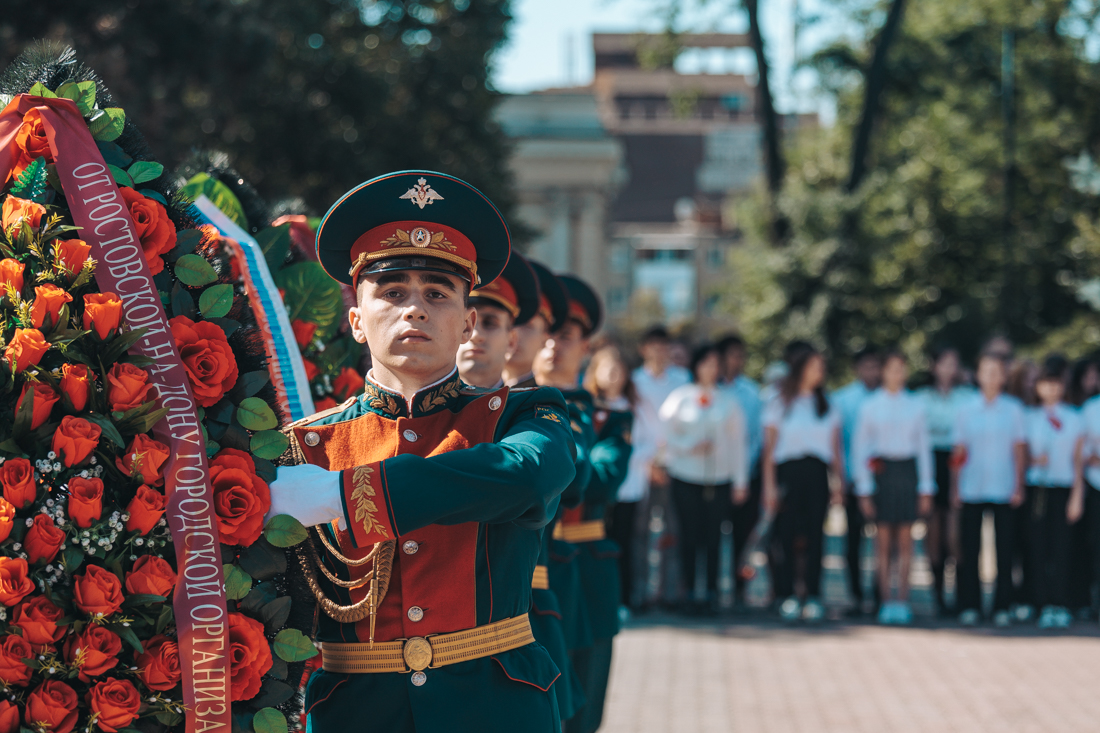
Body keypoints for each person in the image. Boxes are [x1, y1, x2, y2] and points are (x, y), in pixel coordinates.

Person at [267, 171, 577, 732]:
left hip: (496, 707)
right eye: (392, 293)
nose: (415, 309)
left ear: (466, 323)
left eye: (437, 294)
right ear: (356, 321)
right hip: (354, 713)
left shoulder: (521, 416)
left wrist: (347, 493)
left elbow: (529, 475)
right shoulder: (307, 446)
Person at [535, 275, 632, 733]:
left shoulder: (606, 418)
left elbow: (600, 482)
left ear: (586, 347)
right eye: (546, 332)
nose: (553, 345)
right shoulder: (508, 407)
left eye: (567, 336)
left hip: (586, 574)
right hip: (532, 576)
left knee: (583, 712)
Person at [660, 343, 749, 613]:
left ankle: (710, 592)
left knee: (713, 537)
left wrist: (740, 481)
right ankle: (687, 592)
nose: (711, 369)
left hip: (719, 478)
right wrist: (688, 446)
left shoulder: (728, 401)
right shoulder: (680, 398)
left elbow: (738, 443)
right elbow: (665, 435)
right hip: (686, 475)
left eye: (715, 364)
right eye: (706, 363)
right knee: (688, 536)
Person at [763, 343, 844, 622]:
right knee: (784, 535)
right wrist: (769, 486)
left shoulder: (827, 404)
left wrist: (838, 484)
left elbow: (835, 450)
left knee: (815, 536)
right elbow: (769, 450)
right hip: (788, 473)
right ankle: (785, 594)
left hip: (817, 475)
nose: (819, 372)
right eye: (814, 367)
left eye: (822, 368)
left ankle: (812, 594)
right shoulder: (780, 402)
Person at [852, 351, 935, 625]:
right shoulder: (870, 406)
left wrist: (926, 487)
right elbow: (861, 448)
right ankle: (886, 600)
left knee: (907, 542)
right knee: (883, 541)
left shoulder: (916, 405)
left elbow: (924, 448)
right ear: (883, 372)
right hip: (883, 473)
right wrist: (863, 488)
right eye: (891, 369)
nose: (896, 374)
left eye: (901, 369)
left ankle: (904, 600)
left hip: (907, 471)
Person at [952, 351, 1027, 627]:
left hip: (1004, 486)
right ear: (978, 375)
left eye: (998, 371)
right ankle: (969, 604)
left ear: (1004, 376)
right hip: (972, 487)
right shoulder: (965, 409)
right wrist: (955, 487)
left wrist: (1019, 485)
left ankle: (1002, 606)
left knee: (1004, 551)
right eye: (987, 371)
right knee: (970, 550)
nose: (992, 377)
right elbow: (959, 451)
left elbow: (1019, 450)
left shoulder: (1014, 409)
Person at [631, 326, 691, 605]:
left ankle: (670, 593)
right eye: (654, 346)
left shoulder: (682, 380)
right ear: (643, 349)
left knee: (673, 531)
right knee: (640, 531)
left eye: (664, 346)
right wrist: (650, 460)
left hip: (677, 464)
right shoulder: (634, 381)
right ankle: (640, 591)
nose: (660, 352)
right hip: (641, 465)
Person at [1025, 355, 1086, 629]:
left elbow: (1078, 461)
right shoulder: (1029, 417)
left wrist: (1077, 497)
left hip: (1063, 488)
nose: (1050, 389)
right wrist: (1032, 460)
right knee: (1037, 548)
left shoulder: (1074, 418)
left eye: (1055, 383)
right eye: (1045, 383)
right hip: (1036, 488)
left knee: (1062, 549)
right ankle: (1039, 602)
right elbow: (1019, 454)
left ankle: (1059, 603)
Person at [917, 346, 976, 614]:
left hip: (958, 466)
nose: (949, 369)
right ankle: (937, 594)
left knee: (955, 535)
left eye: (954, 364)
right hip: (930, 464)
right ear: (933, 366)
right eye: (944, 363)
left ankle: (959, 594)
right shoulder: (920, 398)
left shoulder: (967, 398)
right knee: (934, 532)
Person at [583, 345, 640, 611]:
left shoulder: (628, 409)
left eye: (620, 370)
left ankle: (622, 598)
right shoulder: (584, 404)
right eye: (609, 370)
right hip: (587, 496)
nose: (615, 376)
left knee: (621, 540)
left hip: (625, 484)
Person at [832, 346, 882, 609]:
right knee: (853, 540)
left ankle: (880, 591)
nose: (871, 372)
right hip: (853, 479)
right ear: (857, 369)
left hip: (884, 480)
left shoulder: (891, 398)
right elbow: (839, 444)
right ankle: (855, 594)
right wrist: (843, 478)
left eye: (876, 366)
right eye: (866, 366)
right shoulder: (842, 399)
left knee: (884, 541)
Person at [717, 334, 763, 603]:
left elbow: (756, 436)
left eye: (741, 354)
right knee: (711, 534)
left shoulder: (751, 391)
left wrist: (745, 466)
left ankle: (739, 590)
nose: (738, 360)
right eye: (733, 354)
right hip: (714, 474)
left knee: (743, 537)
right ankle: (710, 589)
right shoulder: (710, 390)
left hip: (747, 474)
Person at [456, 253, 539, 388]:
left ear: (512, 341)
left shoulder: (529, 408)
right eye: (465, 323)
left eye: (490, 323)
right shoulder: (420, 408)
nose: (476, 335)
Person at [503, 259, 569, 388]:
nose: (514, 333)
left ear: (544, 339)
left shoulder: (546, 405)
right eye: (509, 322)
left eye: (527, 325)